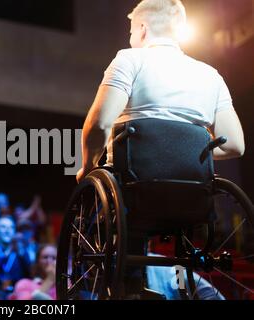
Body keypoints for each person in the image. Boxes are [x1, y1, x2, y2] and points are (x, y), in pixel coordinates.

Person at [76, 0, 245, 298]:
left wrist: (87, 168)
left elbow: (98, 126)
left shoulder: (129, 59)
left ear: (142, 29)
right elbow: (235, 145)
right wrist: (191, 155)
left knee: (107, 205)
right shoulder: (210, 75)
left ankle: (128, 286)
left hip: (136, 191)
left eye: (131, 31)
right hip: (192, 195)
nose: (131, 38)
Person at [0, 217, 31, 291]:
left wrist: (21, 254)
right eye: (3, 227)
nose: (7, 230)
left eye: (11, 227)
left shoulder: (21, 253)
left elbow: (29, 275)